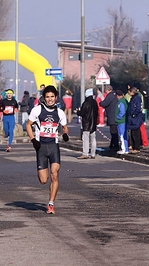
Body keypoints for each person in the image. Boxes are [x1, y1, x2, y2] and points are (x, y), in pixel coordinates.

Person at [25, 85, 69, 214]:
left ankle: (51, 204)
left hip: (53, 146)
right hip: (41, 147)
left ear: (56, 98)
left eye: (52, 97)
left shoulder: (60, 112)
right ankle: (43, 175)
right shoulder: (37, 110)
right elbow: (28, 124)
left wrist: (65, 134)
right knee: (44, 180)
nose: (50, 99)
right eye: (47, 97)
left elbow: (65, 127)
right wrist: (33, 140)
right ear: (44, 98)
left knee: (55, 174)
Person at [76, 88, 98, 159]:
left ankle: (85, 153)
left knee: (85, 139)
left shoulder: (86, 103)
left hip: (86, 123)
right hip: (93, 123)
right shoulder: (95, 102)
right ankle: (93, 154)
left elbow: (82, 113)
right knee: (93, 139)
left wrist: (77, 112)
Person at [100, 85, 119, 150]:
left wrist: (100, 103)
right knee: (114, 131)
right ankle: (112, 145)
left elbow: (104, 103)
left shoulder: (110, 96)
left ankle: (116, 146)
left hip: (112, 115)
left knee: (113, 131)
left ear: (107, 90)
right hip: (115, 115)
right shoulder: (114, 95)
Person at [126, 87, 143, 153]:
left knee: (136, 134)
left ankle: (136, 148)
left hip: (135, 119)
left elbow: (138, 108)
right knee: (132, 133)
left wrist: (134, 114)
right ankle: (133, 147)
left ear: (132, 92)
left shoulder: (137, 98)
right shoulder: (133, 98)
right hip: (132, 118)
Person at [115, 90, 129, 154]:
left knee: (121, 135)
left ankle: (123, 149)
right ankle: (126, 149)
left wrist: (118, 117)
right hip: (125, 120)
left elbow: (122, 112)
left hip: (121, 121)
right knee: (125, 135)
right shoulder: (125, 100)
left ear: (117, 95)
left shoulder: (121, 102)